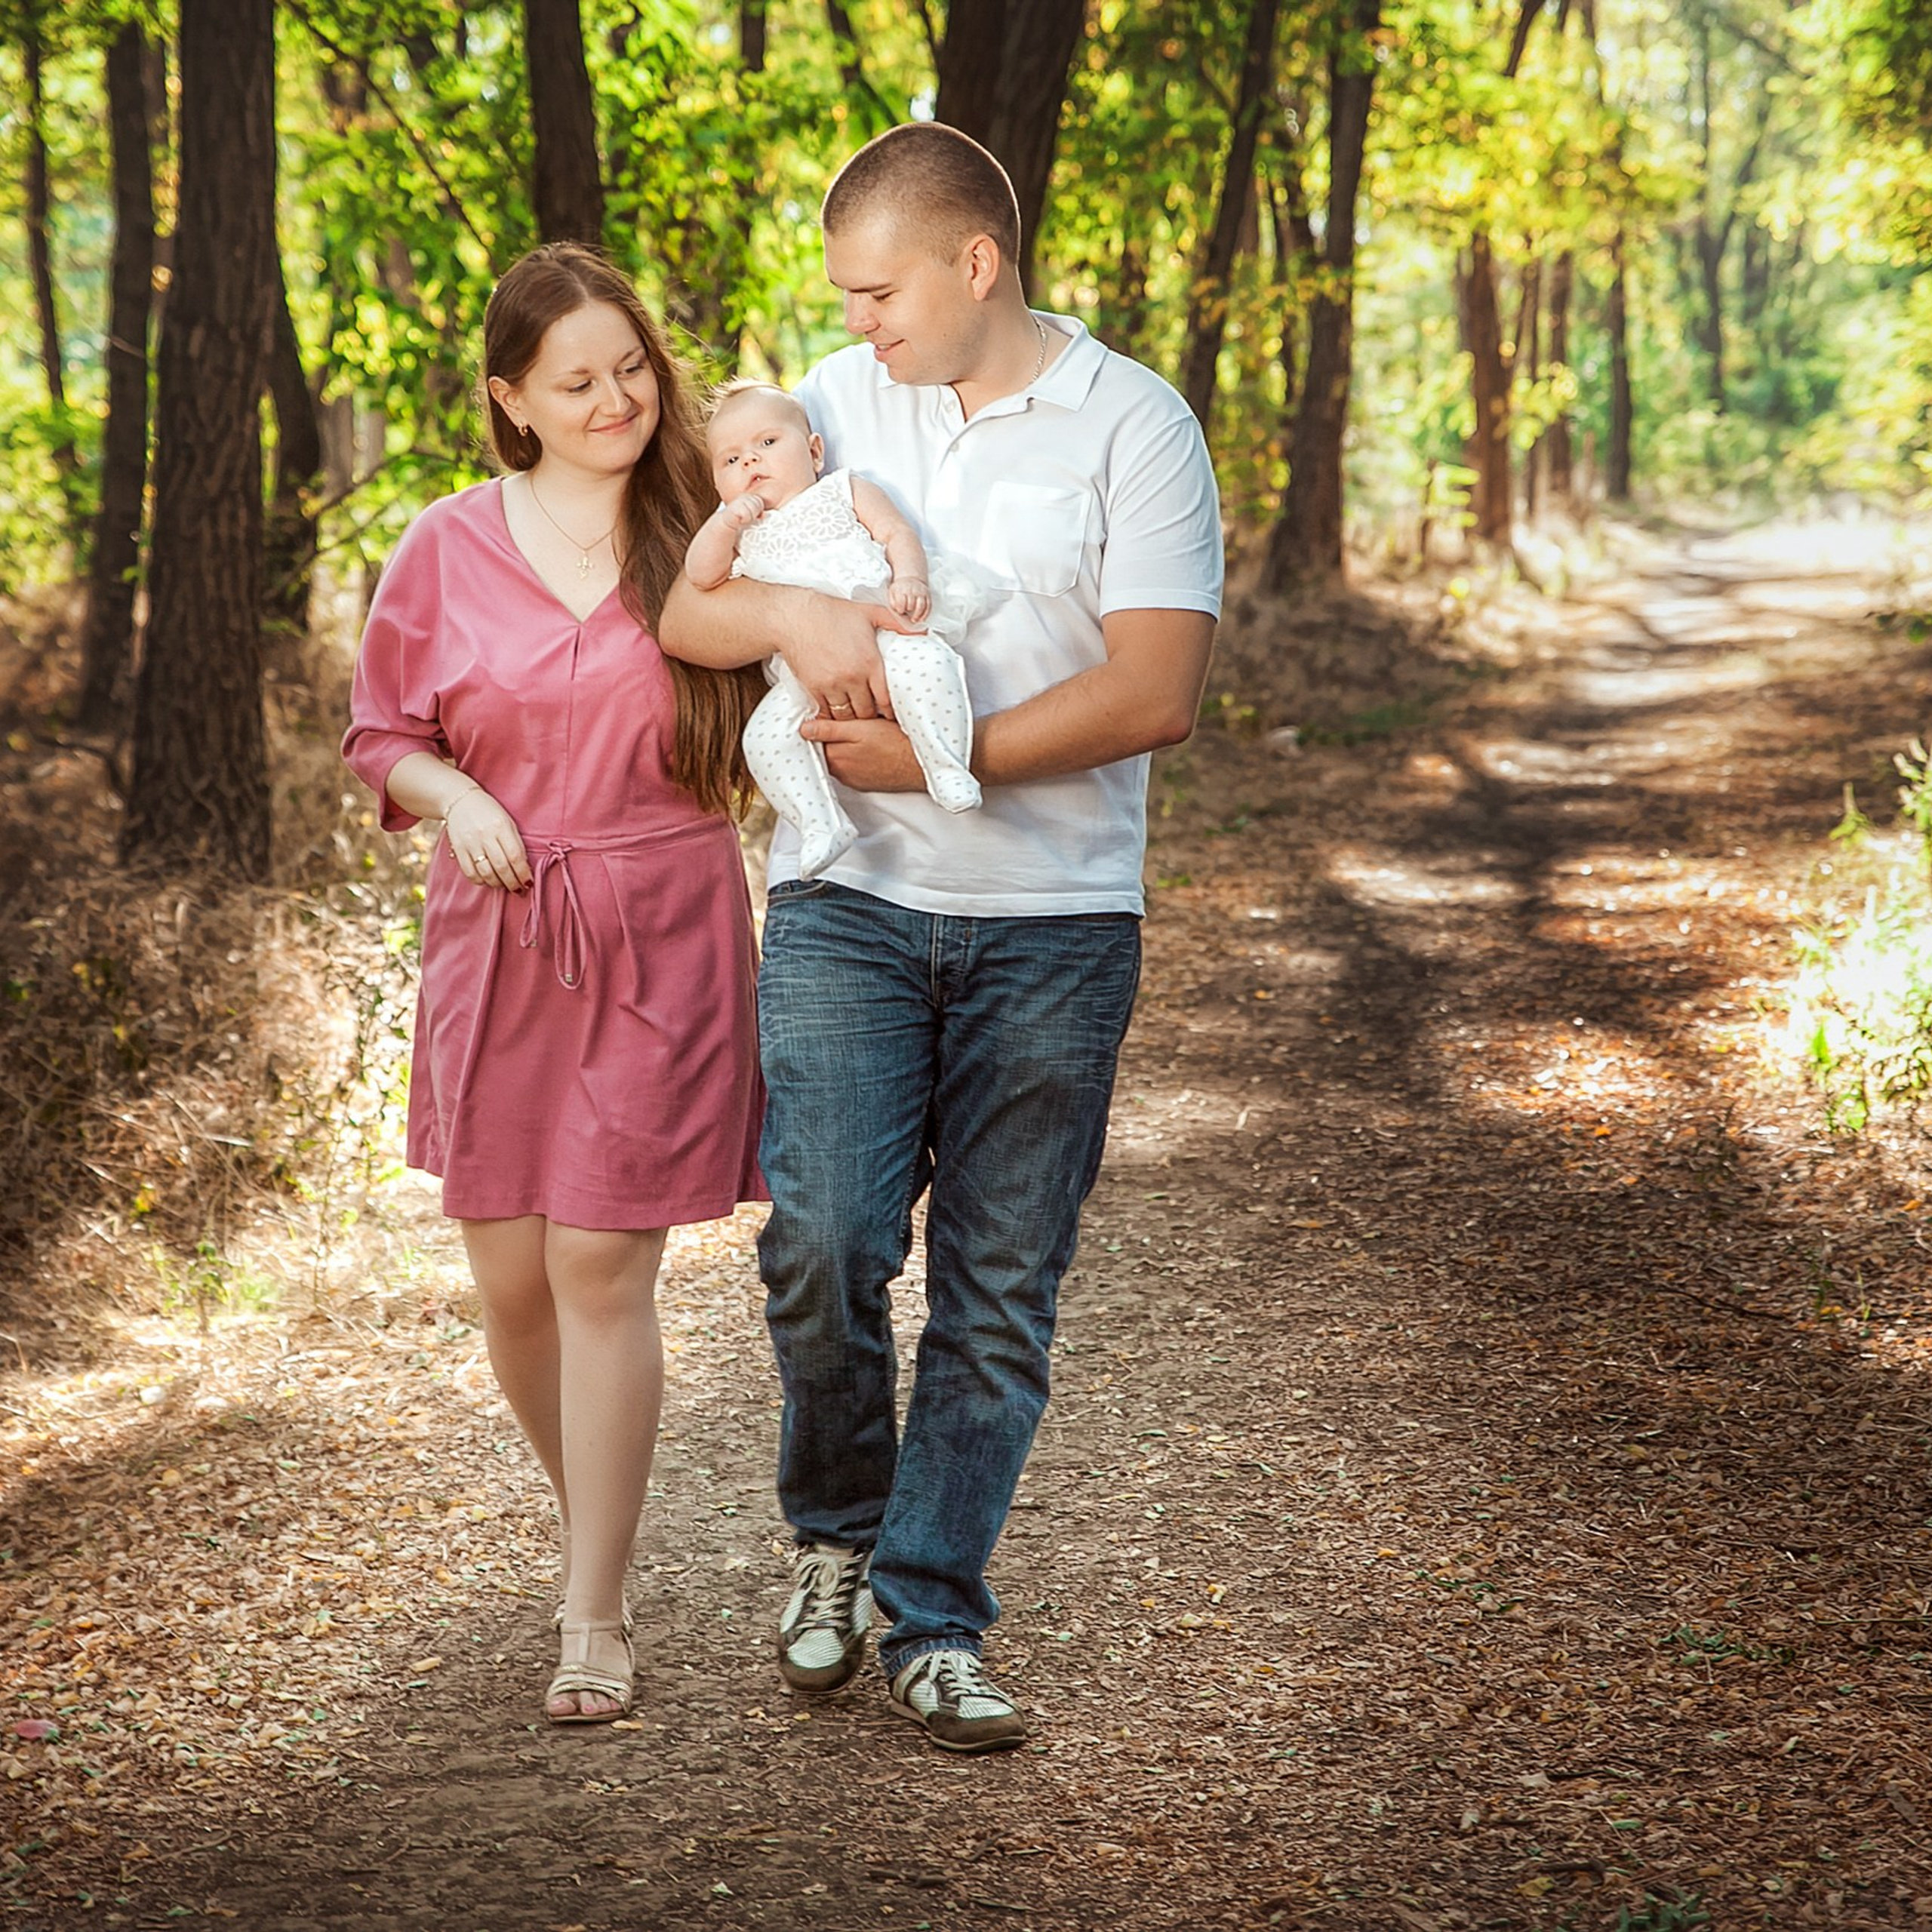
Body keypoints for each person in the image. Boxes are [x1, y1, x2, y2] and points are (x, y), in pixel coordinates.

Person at [660, 125, 1222, 1754]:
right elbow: (694, 611)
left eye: (881, 286)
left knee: (991, 1294)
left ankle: (930, 1611)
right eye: (849, 293)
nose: (861, 316)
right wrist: (790, 614)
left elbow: (1153, 691)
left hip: (1053, 923)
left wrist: (936, 753)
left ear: (975, 263)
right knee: (824, 1239)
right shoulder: (832, 396)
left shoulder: (1133, 424)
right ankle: (831, 1535)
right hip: (847, 893)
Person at [343, 242, 767, 1726]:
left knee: (598, 1262)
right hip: (500, 925)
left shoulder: (712, 530)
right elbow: (379, 732)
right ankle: (600, 1505)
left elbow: (814, 670)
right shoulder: (443, 545)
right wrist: (448, 794)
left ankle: (593, 1605)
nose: (616, 399)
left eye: (632, 368)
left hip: (661, 920)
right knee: (510, 1276)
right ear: (508, 399)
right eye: (576, 379)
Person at [685, 379, 980, 878]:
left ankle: (946, 764)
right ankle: (821, 823)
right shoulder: (739, 530)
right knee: (766, 738)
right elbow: (700, 575)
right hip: (802, 670)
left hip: (885, 624)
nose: (750, 463)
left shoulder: (842, 490)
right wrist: (725, 524)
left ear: (815, 451)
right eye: (730, 461)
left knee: (925, 668)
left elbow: (895, 532)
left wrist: (910, 576)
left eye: (767, 443)